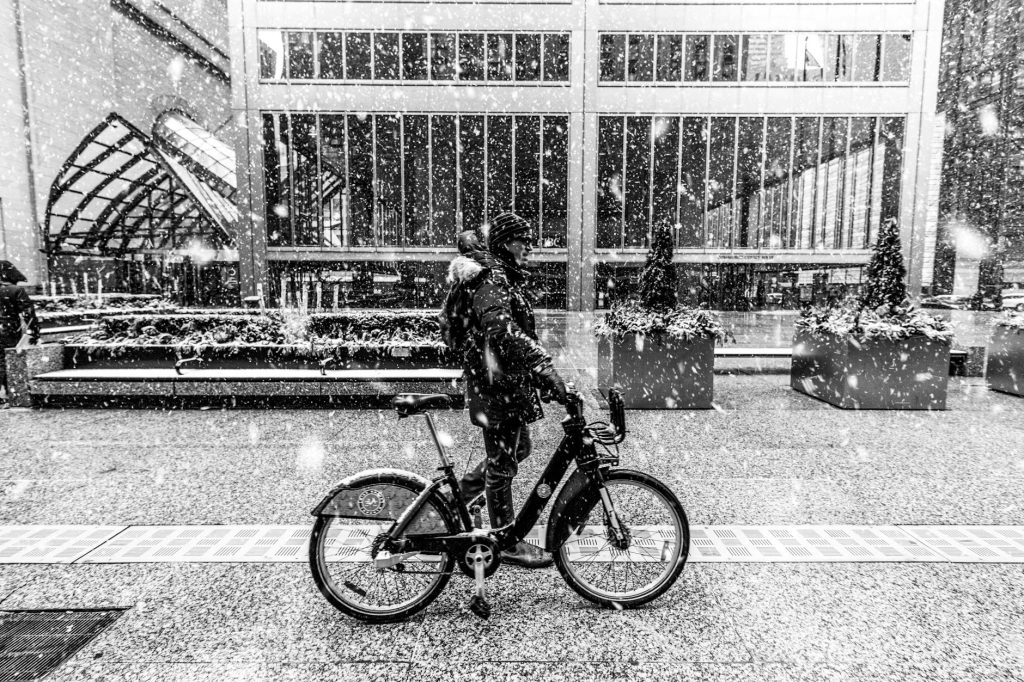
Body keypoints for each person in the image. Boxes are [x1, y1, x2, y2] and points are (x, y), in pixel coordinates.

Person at [444, 213, 568, 569]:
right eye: (522, 239)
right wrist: (542, 366)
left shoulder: (502, 275)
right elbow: (501, 330)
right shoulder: (492, 276)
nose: (529, 246)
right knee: (502, 464)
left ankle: (457, 503)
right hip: (495, 387)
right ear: (504, 242)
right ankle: (506, 539)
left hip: (505, 385)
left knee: (521, 448)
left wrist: (537, 377)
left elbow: (512, 333)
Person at [0, 261, 40, 406]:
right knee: (7, 361)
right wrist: (33, 333)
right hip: (7, 332)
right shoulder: (14, 290)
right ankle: (12, 395)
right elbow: (29, 315)